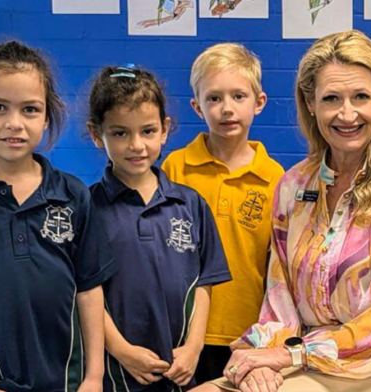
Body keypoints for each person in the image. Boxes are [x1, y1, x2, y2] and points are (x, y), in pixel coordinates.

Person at [193, 29, 371, 392]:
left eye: (360, 97)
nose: (347, 114)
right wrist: (263, 357)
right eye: (331, 99)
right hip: (303, 350)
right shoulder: (294, 186)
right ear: (311, 104)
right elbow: (279, 296)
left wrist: (290, 357)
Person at [0, 41, 116, 391]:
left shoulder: (73, 195)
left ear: (47, 117)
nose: (14, 123)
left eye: (30, 109)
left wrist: (95, 376)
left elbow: (89, 291)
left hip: (68, 382)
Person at [87, 65, 232, 391]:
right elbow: (85, 294)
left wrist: (194, 348)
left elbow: (204, 284)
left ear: (165, 129)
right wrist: (121, 351)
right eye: (120, 133)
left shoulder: (191, 204)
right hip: (118, 371)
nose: (137, 145)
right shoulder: (87, 209)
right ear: (98, 134)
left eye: (148, 131)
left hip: (179, 367)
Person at [161, 43, 285, 383]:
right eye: (214, 98)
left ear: (259, 103)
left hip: (246, 332)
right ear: (197, 107)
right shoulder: (175, 167)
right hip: (183, 331)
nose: (226, 109)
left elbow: (278, 265)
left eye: (238, 97)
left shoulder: (276, 178)